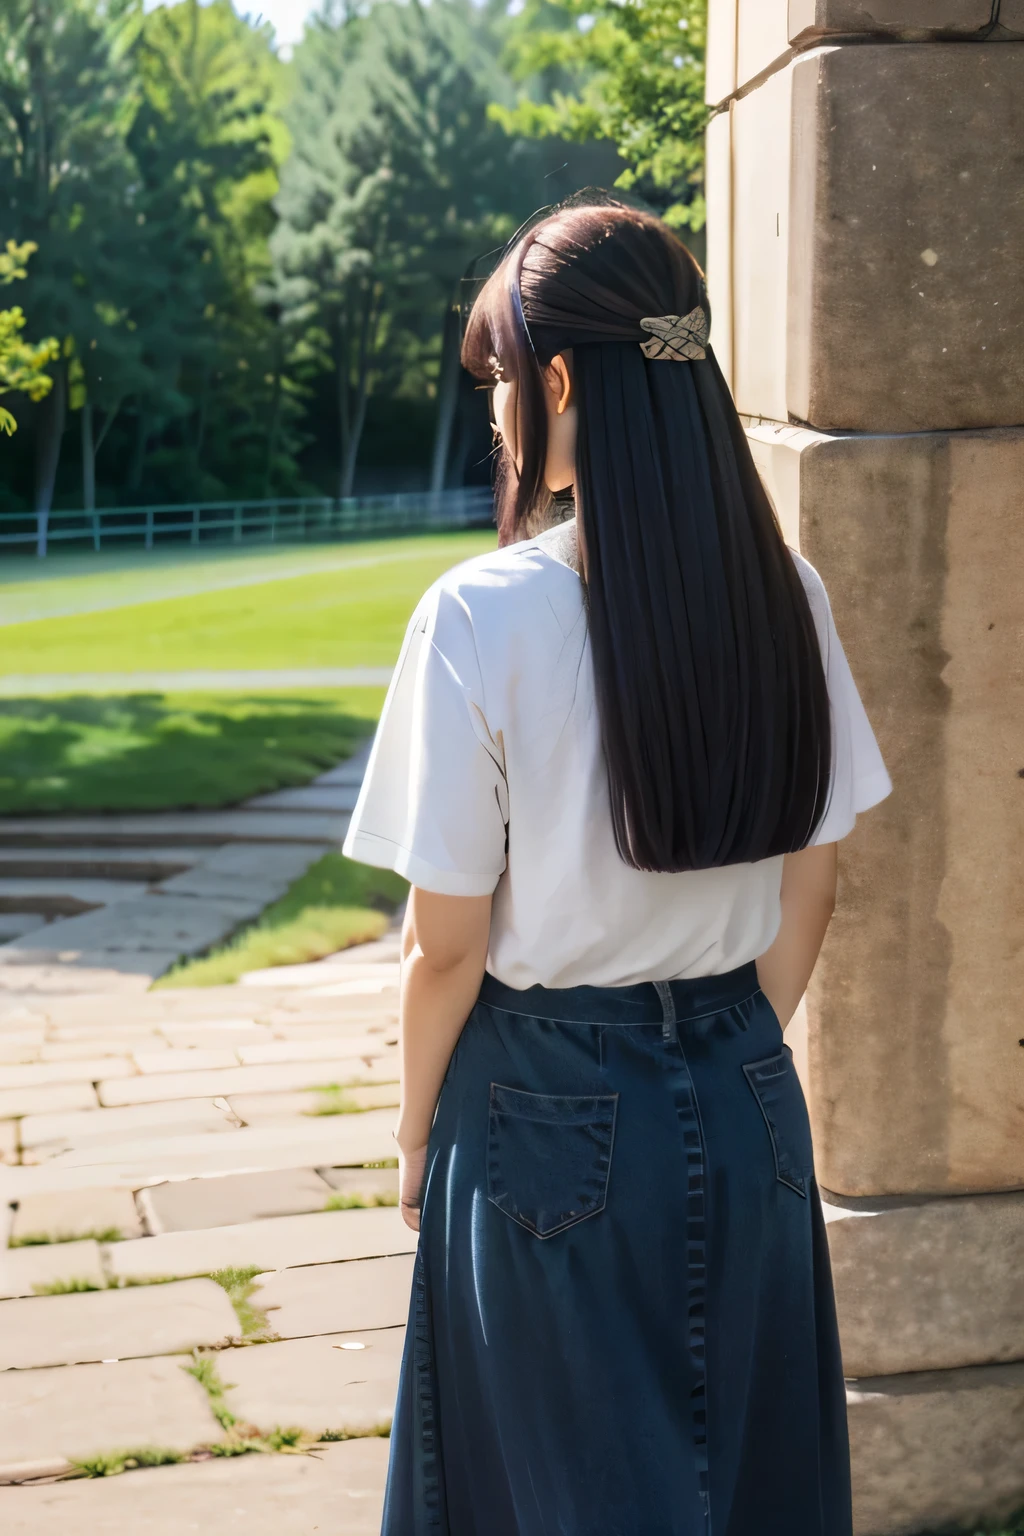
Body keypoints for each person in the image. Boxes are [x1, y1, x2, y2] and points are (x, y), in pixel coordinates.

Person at [342, 195, 892, 1536]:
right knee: (753, 1486)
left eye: (498, 379)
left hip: (545, 1110)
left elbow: (446, 947)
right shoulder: (789, 592)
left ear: (567, 377)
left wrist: (418, 1134)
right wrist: (721, 1049)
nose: (491, 413)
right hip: (750, 1092)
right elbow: (813, 882)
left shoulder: (481, 614)